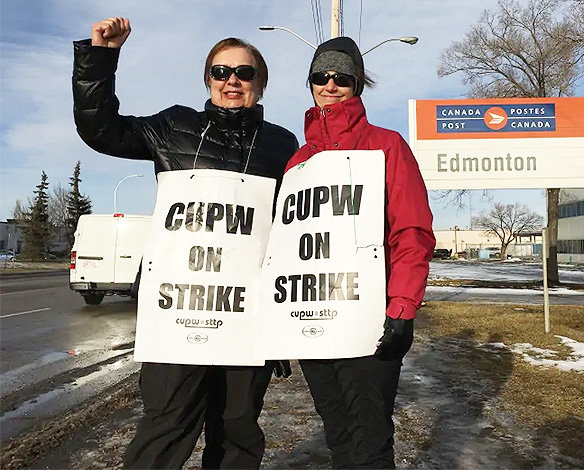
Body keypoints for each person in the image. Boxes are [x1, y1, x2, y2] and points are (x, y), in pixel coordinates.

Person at [72, 17, 297, 469]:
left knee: (237, 431)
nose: (232, 80)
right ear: (209, 79)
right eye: (221, 71)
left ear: (261, 84)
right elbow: (101, 130)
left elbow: (293, 232)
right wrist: (101, 57)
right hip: (179, 317)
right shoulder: (174, 127)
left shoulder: (282, 145)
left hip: (246, 319)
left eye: (245, 72)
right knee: (166, 425)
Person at [285, 37, 435, 468]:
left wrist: (402, 308)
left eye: (342, 77)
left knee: (369, 440)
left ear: (358, 84)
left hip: (369, 321)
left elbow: (412, 232)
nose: (330, 84)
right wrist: (277, 327)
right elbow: (287, 248)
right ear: (310, 83)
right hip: (315, 321)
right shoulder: (298, 163)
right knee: (338, 435)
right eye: (320, 76)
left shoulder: (387, 146)